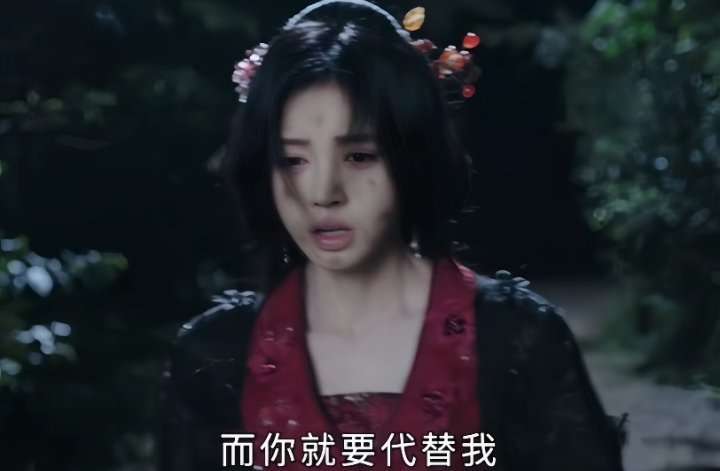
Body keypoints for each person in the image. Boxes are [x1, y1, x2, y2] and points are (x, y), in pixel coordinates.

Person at [158, 1, 626, 470]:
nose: (323, 193)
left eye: (359, 156)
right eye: (293, 160)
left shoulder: (515, 340)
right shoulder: (216, 356)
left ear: (413, 157)